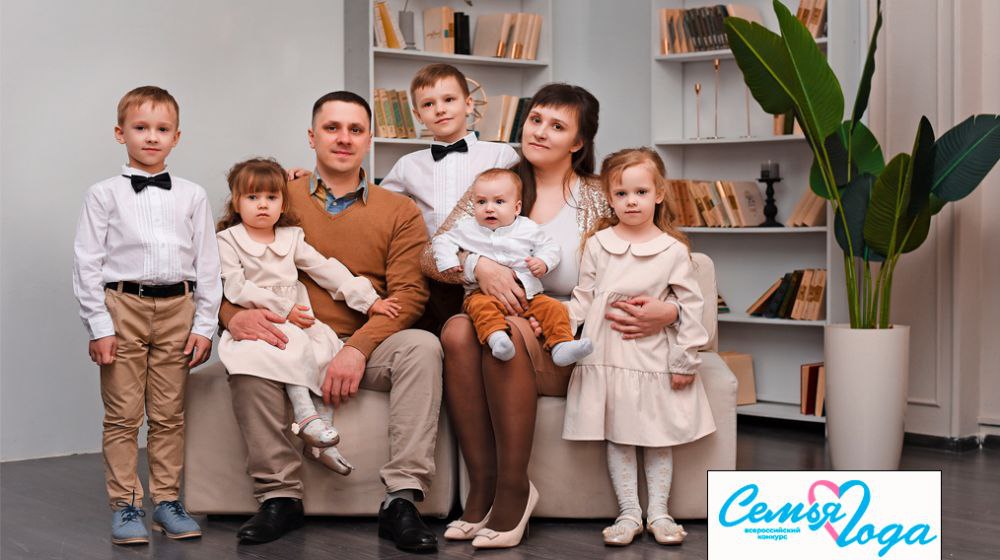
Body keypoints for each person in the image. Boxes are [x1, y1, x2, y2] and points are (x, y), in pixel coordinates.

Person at [423, 83, 680, 549]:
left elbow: (663, 250)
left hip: (569, 339)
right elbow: (429, 256)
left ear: (578, 142)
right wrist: (478, 265)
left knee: (509, 329)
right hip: (495, 324)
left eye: (557, 126)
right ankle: (482, 487)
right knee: (458, 330)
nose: (539, 132)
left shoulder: (601, 195)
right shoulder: (497, 184)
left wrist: (671, 308)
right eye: (536, 119)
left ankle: (514, 490)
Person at [220, 92, 442, 551]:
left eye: (355, 130)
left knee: (423, 347)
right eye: (332, 128)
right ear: (312, 136)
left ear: (369, 140)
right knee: (248, 359)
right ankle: (280, 497)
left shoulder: (399, 210)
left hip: (367, 340)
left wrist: (356, 348)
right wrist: (231, 317)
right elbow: (223, 270)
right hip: (290, 333)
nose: (344, 138)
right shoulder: (274, 195)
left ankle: (401, 499)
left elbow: (409, 296)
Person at [72, 85, 222, 545]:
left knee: (169, 415)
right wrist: (99, 326)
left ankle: (167, 502)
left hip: (179, 308)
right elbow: (87, 262)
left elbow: (208, 264)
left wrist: (204, 326)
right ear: (121, 133)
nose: (152, 137)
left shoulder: (193, 195)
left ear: (177, 136)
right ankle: (126, 505)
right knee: (122, 415)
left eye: (162, 129)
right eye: (141, 128)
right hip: (123, 308)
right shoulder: (102, 194)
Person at [563, 147, 716, 546]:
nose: (631, 201)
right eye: (621, 193)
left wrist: (685, 360)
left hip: (652, 358)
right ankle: (629, 511)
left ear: (659, 194)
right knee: (619, 435)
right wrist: (555, 328)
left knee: (656, 435)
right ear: (610, 199)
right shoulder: (597, 244)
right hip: (607, 355)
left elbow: (691, 307)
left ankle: (659, 512)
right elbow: (583, 297)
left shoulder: (672, 250)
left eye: (641, 192)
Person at [216, 158, 402, 476]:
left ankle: (320, 439)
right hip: (262, 318)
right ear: (236, 202)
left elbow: (325, 269)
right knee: (290, 347)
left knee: (327, 351)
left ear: (283, 203)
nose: (262, 205)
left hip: (299, 316)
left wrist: (369, 301)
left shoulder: (291, 237)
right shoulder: (228, 240)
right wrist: (281, 309)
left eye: (271, 197)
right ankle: (306, 417)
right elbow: (236, 286)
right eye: (252, 197)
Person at [381, 63, 520, 333]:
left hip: (491, 269)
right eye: (428, 104)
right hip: (434, 275)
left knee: (488, 336)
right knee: (438, 339)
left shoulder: (501, 155)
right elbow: (378, 206)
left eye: (449, 100)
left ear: (468, 104)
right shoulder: (408, 165)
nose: (440, 109)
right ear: (417, 115)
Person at [431, 167, 592, 365]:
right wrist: (448, 260)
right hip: (482, 293)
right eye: (481, 202)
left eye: (499, 202)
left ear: (516, 208)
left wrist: (543, 262)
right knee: (480, 307)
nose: (489, 208)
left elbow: (550, 247)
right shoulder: (467, 227)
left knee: (553, 308)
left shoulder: (527, 227)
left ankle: (561, 345)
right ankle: (497, 338)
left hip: (528, 294)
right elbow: (441, 240)